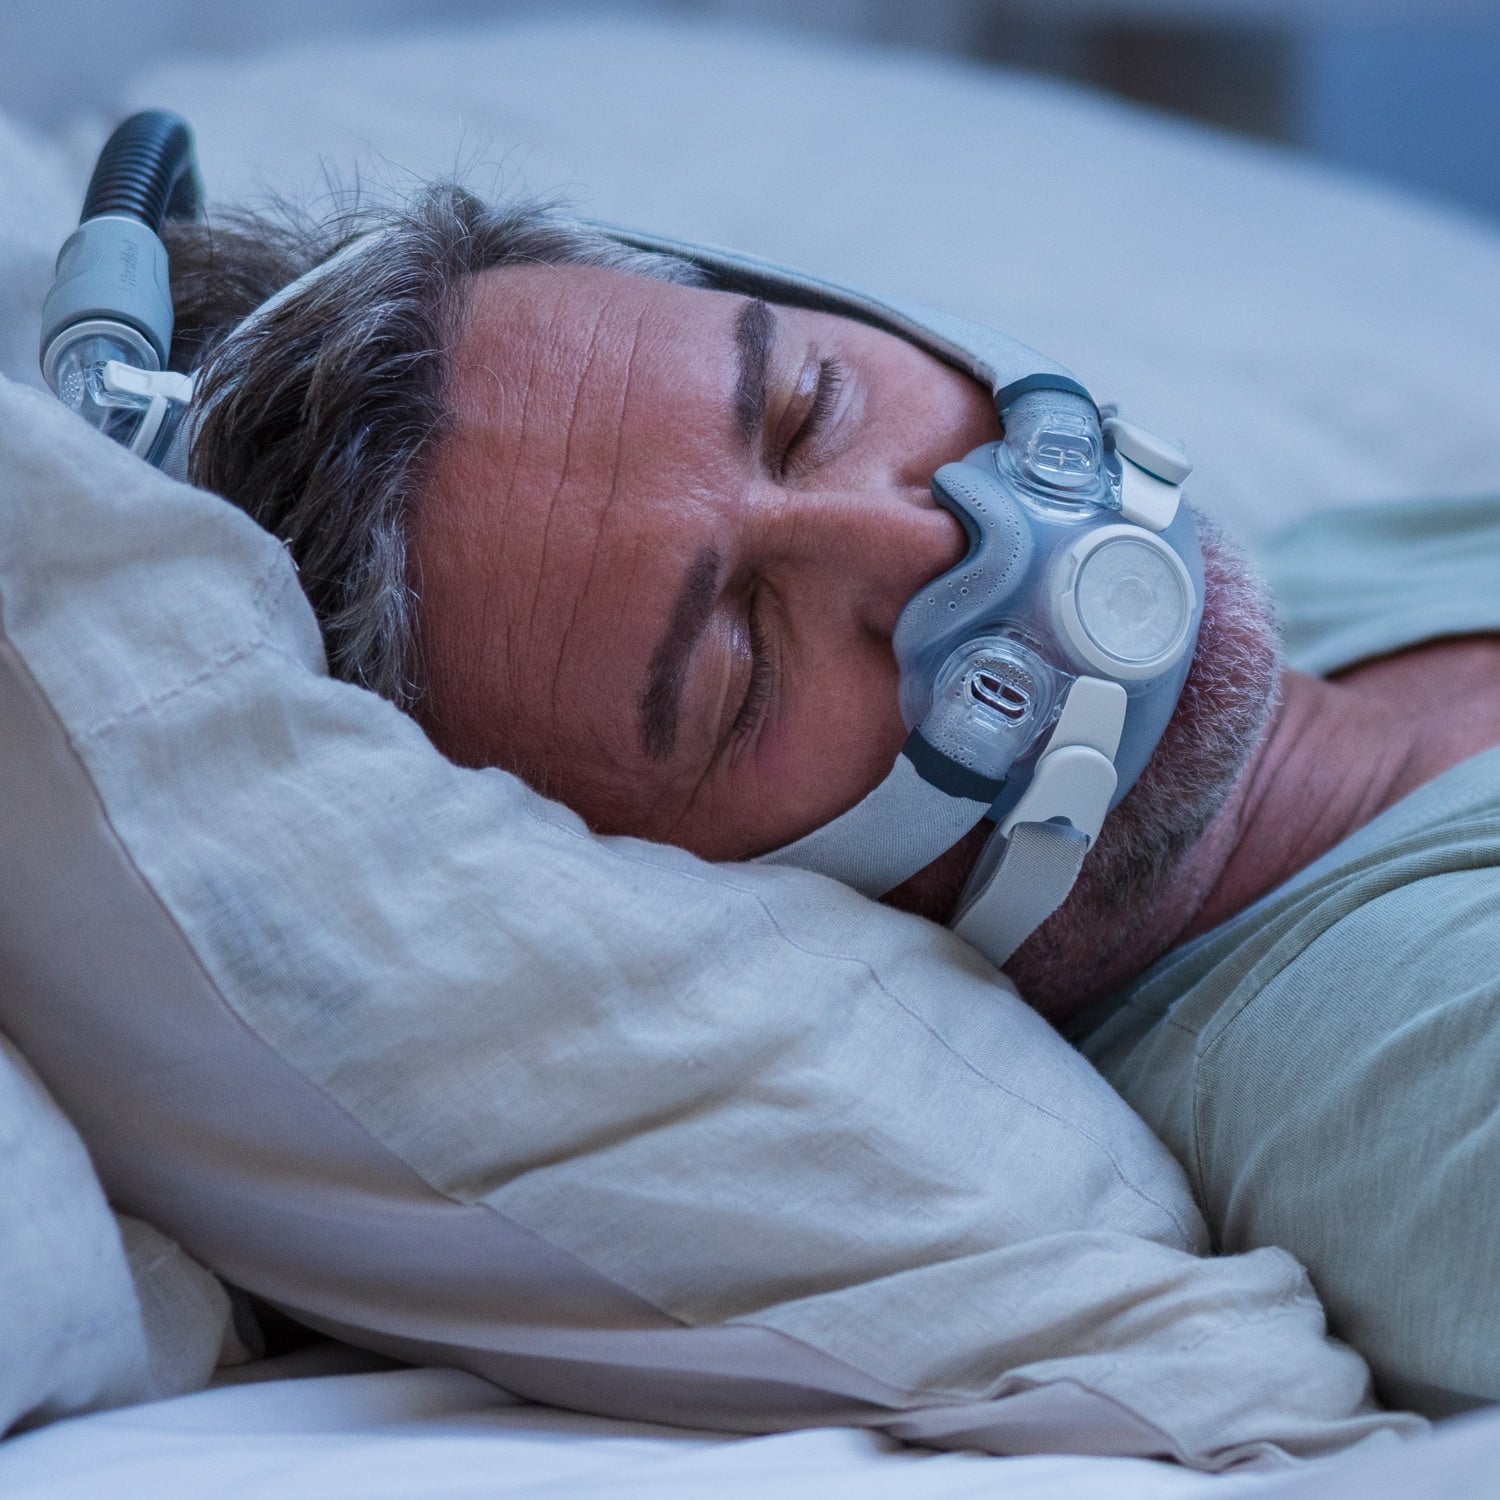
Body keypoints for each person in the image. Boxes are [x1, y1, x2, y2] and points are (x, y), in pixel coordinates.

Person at [164, 183, 1500, 1415]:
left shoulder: (1354, 586)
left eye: (813, 404)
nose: (928, 537)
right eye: (738, 665)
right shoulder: (1407, 1085)